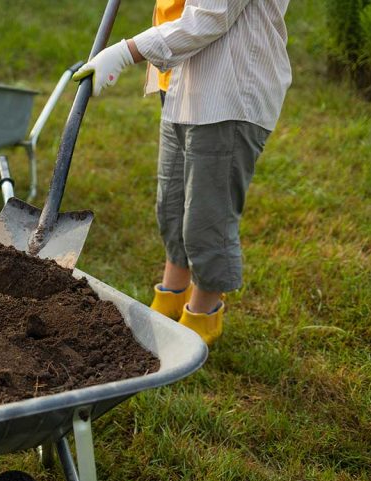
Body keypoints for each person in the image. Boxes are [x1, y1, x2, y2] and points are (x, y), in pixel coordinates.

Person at [73, 0, 291, 345]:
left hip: (228, 90)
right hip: (179, 81)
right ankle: (172, 295)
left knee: (208, 218)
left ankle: (204, 315)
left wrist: (126, 52)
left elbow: (211, 15)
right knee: (171, 205)